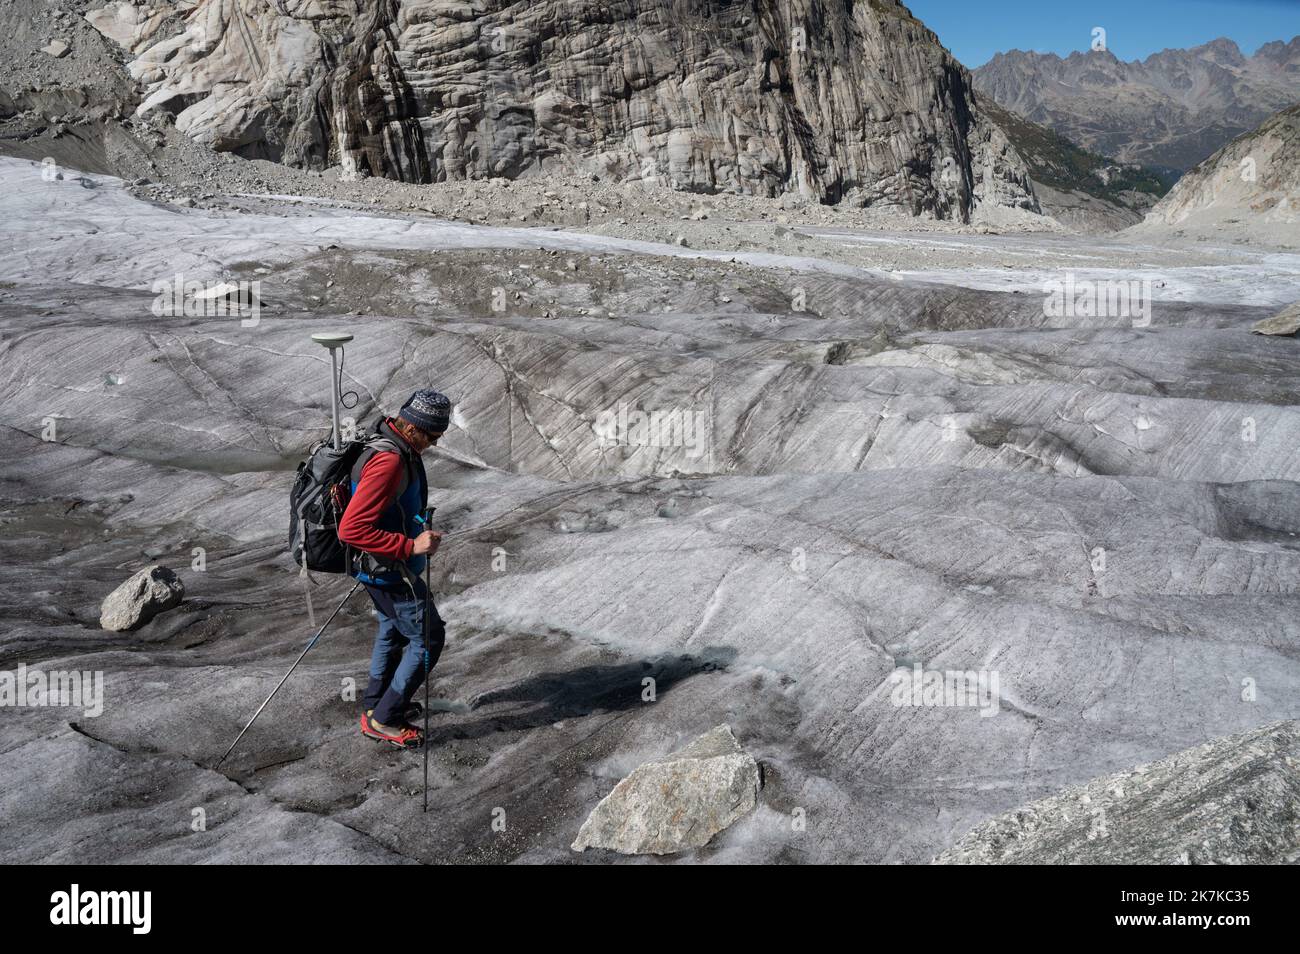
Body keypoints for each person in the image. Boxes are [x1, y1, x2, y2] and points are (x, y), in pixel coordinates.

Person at [338, 389, 451, 748]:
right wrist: (410, 545)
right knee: (429, 638)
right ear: (415, 427)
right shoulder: (390, 462)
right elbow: (351, 528)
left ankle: (377, 706)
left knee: (394, 630)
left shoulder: (391, 441)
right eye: (433, 436)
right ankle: (385, 719)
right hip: (388, 568)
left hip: (380, 567)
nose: (434, 443)